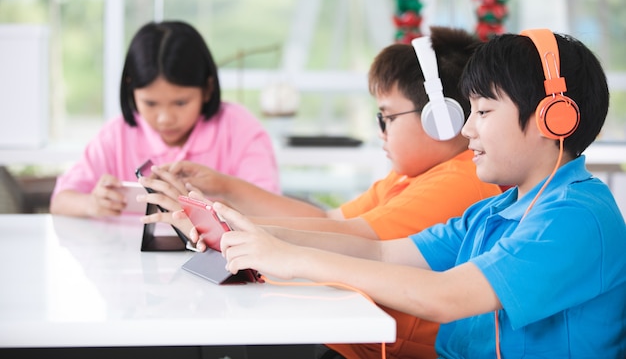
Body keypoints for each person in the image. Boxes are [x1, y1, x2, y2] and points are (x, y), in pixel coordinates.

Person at [214, 29, 626, 358]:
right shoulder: (495, 211)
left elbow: (443, 297)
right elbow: (380, 251)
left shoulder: (575, 217)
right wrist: (249, 233)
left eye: (482, 111)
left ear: (552, 119)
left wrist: (291, 258)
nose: (466, 130)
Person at [142, 26, 503, 359]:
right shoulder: (410, 177)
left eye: (386, 117)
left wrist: (227, 221)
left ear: (441, 118)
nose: (380, 130)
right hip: (357, 339)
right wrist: (222, 190)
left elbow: (358, 239)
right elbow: (329, 220)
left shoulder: (459, 180)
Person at [49, 20, 280, 224]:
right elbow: (60, 201)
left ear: (207, 89)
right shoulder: (117, 135)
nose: (165, 118)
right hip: (124, 265)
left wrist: (209, 204)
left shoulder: (239, 129)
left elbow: (272, 213)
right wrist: (92, 204)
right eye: (150, 103)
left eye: (180, 103)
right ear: (131, 90)